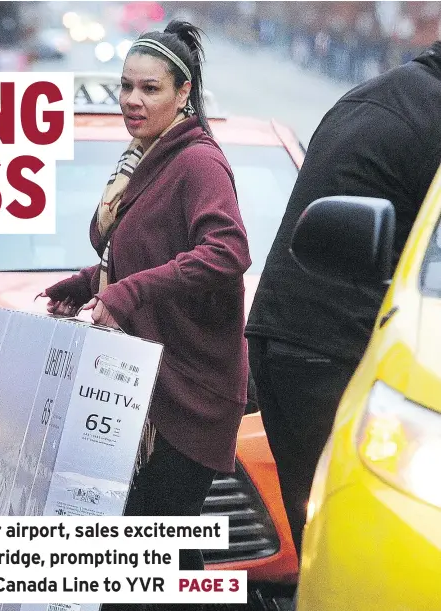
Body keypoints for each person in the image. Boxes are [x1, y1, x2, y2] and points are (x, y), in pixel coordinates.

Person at [41, 19, 251, 582]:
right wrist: (89, 283)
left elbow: (227, 250)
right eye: (126, 87)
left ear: (184, 94)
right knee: (158, 551)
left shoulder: (196, 161)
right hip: (146, 382)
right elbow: (148, 250)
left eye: (150, 89)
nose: (133, 100)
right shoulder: (143, 159)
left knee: (149, 547)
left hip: (189, 392)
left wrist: (128, 292)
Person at [246, 40, 441, 557]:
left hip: (286, 338)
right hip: (334, 350)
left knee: (325, 534)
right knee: (359, 542)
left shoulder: (382, 96)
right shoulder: (430, 119)